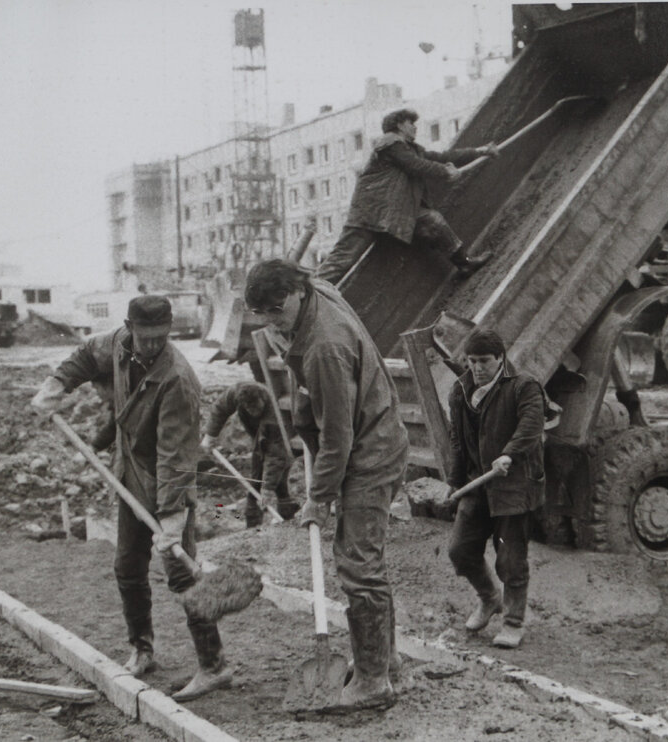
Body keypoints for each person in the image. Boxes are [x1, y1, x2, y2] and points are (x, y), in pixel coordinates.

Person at [30, 295, 228, 702]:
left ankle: (214, 666)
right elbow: (87, 356)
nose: (153, 345)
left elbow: (176, 455)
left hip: (166, 484)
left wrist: (172, 518)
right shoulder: (119, 343)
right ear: (130, 327)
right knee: (127, 566)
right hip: (130, 475)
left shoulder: (178, 379)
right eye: (146, 337)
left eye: (161, 337)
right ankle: (142, 649)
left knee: (182, 575)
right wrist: (58, 384)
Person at [244, 258, 408, 710]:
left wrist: (318, 498)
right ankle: (385, 662)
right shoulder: (316, 289)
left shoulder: (325, 347)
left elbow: (338, 435)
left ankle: (373, 682)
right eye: (264, 315)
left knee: (357, 564)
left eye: (278, 311)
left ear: (297, 293)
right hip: (370, 437)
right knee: (365, 561)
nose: (273, 322)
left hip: (368, 453)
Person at [316, 107, 499, 285]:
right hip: (370, 214)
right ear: (400, 125)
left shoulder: (409, 148)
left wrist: (479, 151)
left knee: (433, 221)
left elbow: (442, 156)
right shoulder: (389, 143)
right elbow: (416, 165)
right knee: (342, 260)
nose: (415, 126)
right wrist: (446, 172)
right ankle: (302, 295)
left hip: (392, 213)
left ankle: (465, 264)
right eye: (411, 122)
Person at [446, 329, 545, 649]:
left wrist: (509, 454)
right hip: (478, 485)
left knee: (511, 561)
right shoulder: (460, 391)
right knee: (460, 550)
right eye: (471, 361)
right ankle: (490, 597)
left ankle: (513, 622)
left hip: (513, 486)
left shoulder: (523, 386)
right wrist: (454, 482)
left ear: (500, 359)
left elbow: (531, 427)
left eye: (484, 361)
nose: (476, 368)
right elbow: (458, 443)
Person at [200, 381, 300, 527]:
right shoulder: (236, 392)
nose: (253, 411)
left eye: (256, 407)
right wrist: (210, 436)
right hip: (259, 433)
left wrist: (267, 490)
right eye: (248, 408)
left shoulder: (274, 416)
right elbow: (220, 409)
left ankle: (282, 513)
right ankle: (256, 522)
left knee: (272, 473)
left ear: (262, 400)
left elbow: (276, 457)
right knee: (258, 476)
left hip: (281, 439)